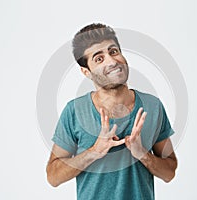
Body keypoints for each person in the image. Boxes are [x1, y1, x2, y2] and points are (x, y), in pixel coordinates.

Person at [46, 23, 177, 200]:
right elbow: (53, 176)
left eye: (113, 51)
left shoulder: (152, 106)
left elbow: (169, 173)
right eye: (99, 59)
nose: (112, 61)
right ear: (87, 72)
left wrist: (142, 154)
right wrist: (94, 151)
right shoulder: (74, 111)